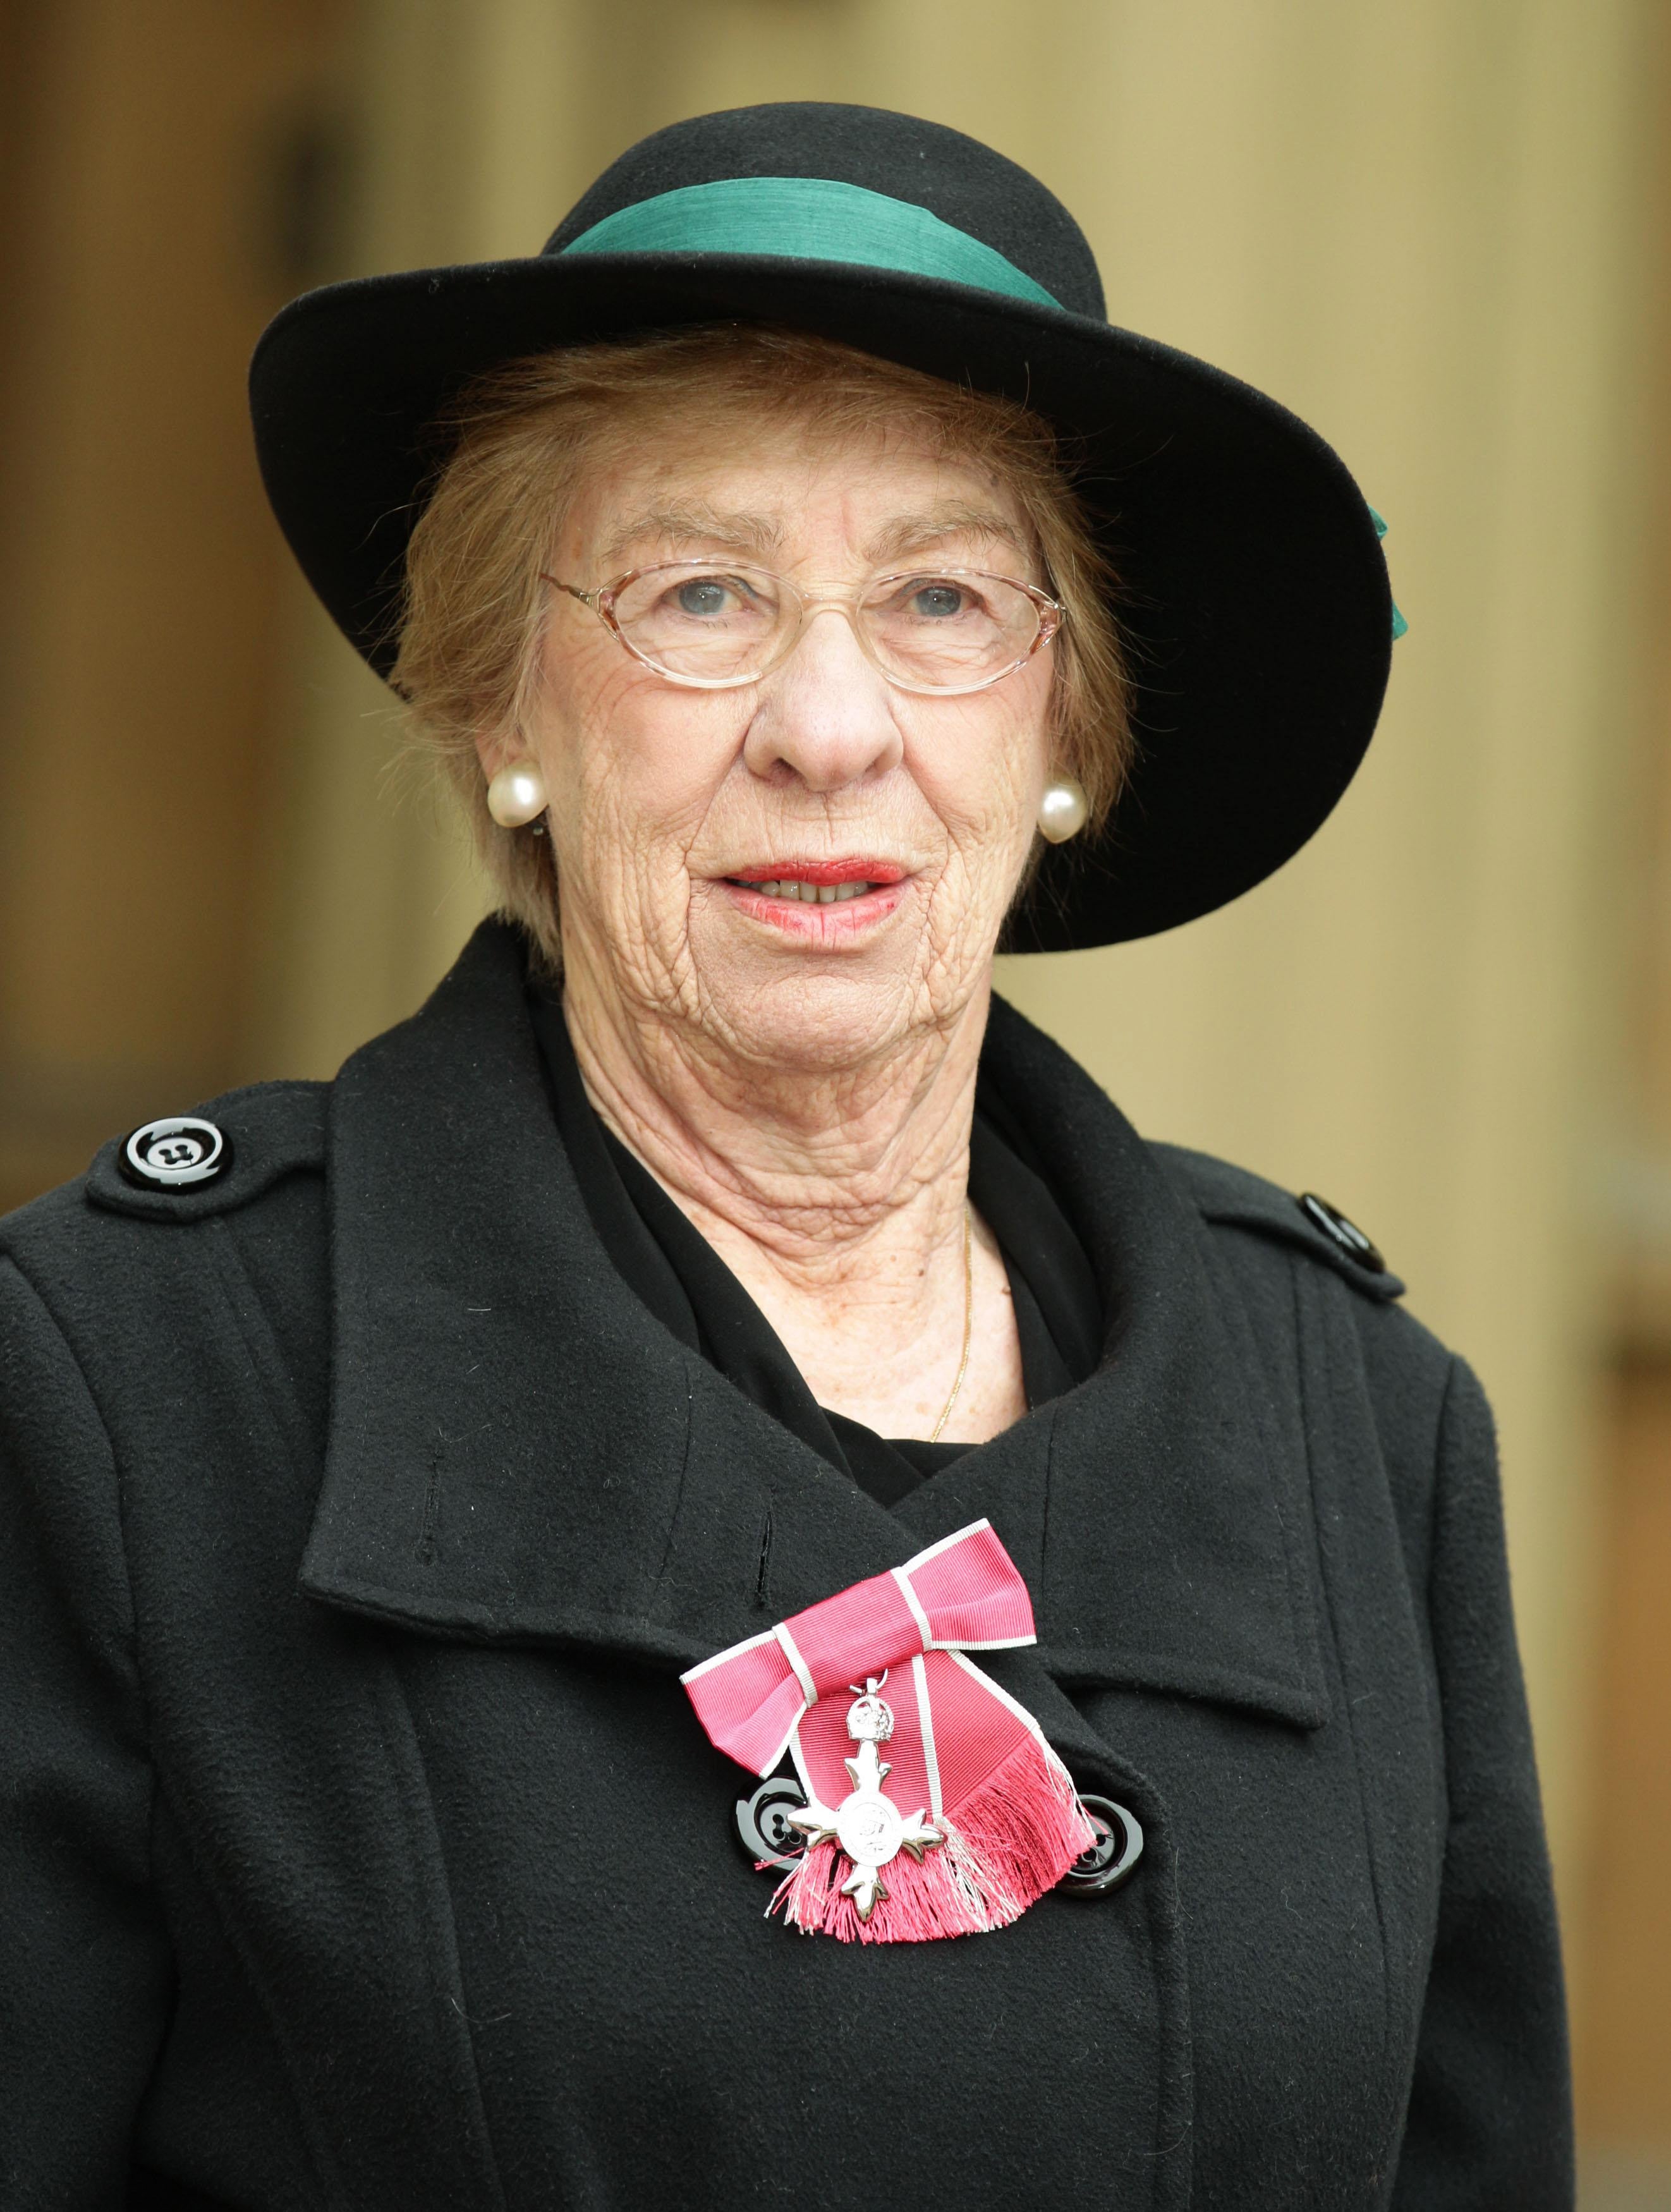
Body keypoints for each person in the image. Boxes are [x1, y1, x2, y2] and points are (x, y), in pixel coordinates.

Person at [0, 102, 1571, 2210]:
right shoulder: (126, 1377)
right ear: (504, 710)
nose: (828, 727)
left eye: (940, 597)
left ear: (1063, 732)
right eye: (700, 591)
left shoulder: (1358, 1423)